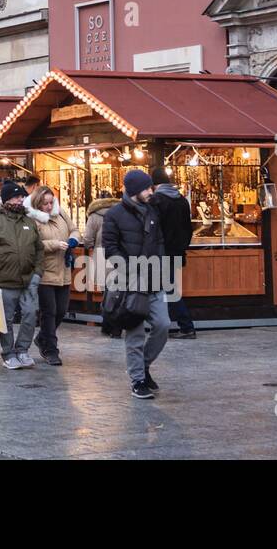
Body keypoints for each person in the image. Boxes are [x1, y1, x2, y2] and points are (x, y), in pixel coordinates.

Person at [102, 169, 169, 400]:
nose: (151, 191)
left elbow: (159, 242)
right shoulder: (113, 214)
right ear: (134, 191)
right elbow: (109, 247)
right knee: (135, 333)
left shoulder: (153, 211)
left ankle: (144, 365)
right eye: (147, 188)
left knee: (163, 325)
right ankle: (138, 379)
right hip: (129, 283)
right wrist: (129, 271)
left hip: (155, 280)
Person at [0, 182, 42, 370]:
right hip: (4, 281)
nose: (21, 199)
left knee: (30, 314)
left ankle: (22, 349)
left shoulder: (29, 222)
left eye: (22, 196)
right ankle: (8, 353)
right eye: (16, 197)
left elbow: (39, 249)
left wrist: (37, 272)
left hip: (28, 279)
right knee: (5, 320)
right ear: (7, 199)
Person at [26, 185, 80, 365]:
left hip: (63, 270)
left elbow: (74, 229)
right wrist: (54, 244)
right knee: (49, 311)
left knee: (61, 310)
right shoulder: (32, 220)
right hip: (44, 271)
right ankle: (50, 349)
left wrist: (73, 239)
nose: (49, 206)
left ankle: (42, 338)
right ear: (38, 203)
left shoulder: (61, 214)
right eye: (45, 203)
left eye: (51, 202)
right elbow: (32, 245)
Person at [149, 166, 196, 340]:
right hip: (178, 251)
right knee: (167, 288)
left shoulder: (157, 201)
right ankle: (168, 323)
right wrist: (183, 247)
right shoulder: (182, 200)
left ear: (154, 184)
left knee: (167, 289)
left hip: (162, 252)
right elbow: (188, 228)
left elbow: (153, 229)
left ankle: (186, 326)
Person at [83, 189, 121, 337]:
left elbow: (87, 239)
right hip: (119, 256)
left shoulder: (94, 215)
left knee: (106, 291)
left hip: (101, 256)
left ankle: (107, 324)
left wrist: (91, 247)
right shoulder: (121, 213)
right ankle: (115, 325)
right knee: (118, 291)